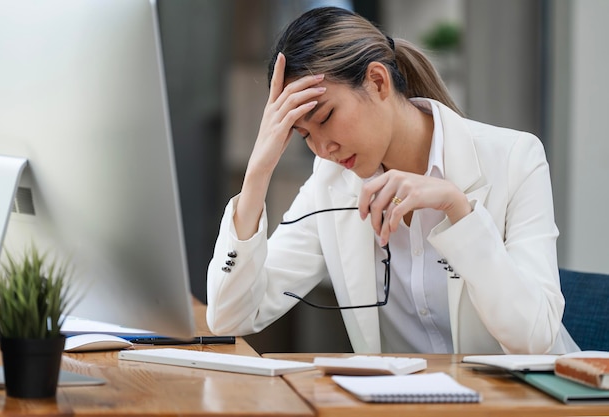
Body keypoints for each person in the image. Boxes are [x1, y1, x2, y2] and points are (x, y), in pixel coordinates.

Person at [206, 6, 579, 354]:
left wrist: (458, 209)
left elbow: (536, 339)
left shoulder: (515, 158)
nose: (322, 148)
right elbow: (230, 316)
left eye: (325, 117)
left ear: (378, 81)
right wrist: (257, 176)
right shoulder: (332, 183)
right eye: (303, 134)